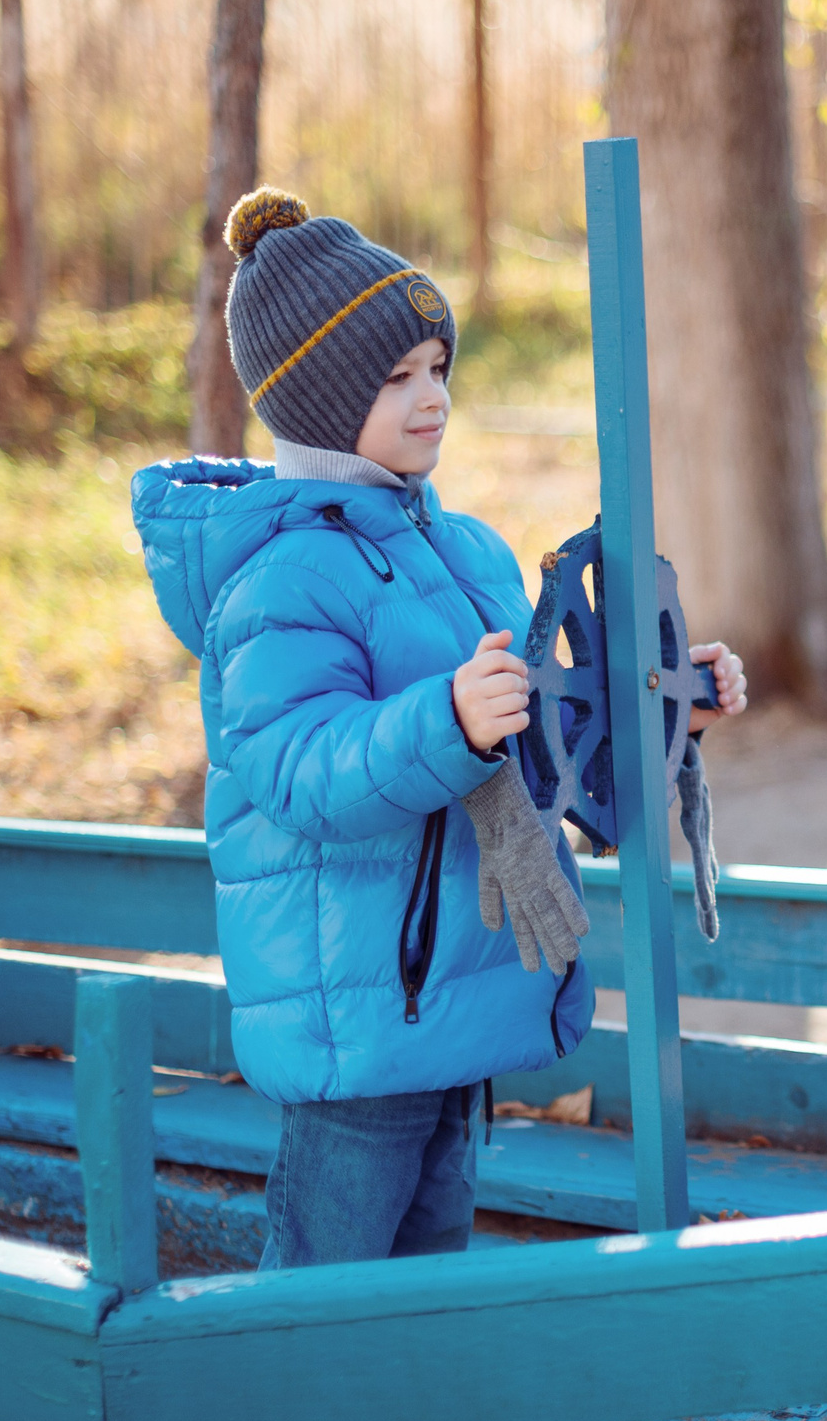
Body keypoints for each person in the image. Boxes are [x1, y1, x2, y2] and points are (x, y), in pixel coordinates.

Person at [132, 188, 745, 1268]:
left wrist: (663, 696)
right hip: (359, 1006)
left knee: (430, 1265)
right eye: (395, 377)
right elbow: (295, 767)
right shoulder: (281, 576)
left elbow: (543, 722)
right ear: (318, 401)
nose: (432, 399)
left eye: (437, 368)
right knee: (332, 1274)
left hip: (458, 984)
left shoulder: (466, 549)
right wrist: (442, 718)